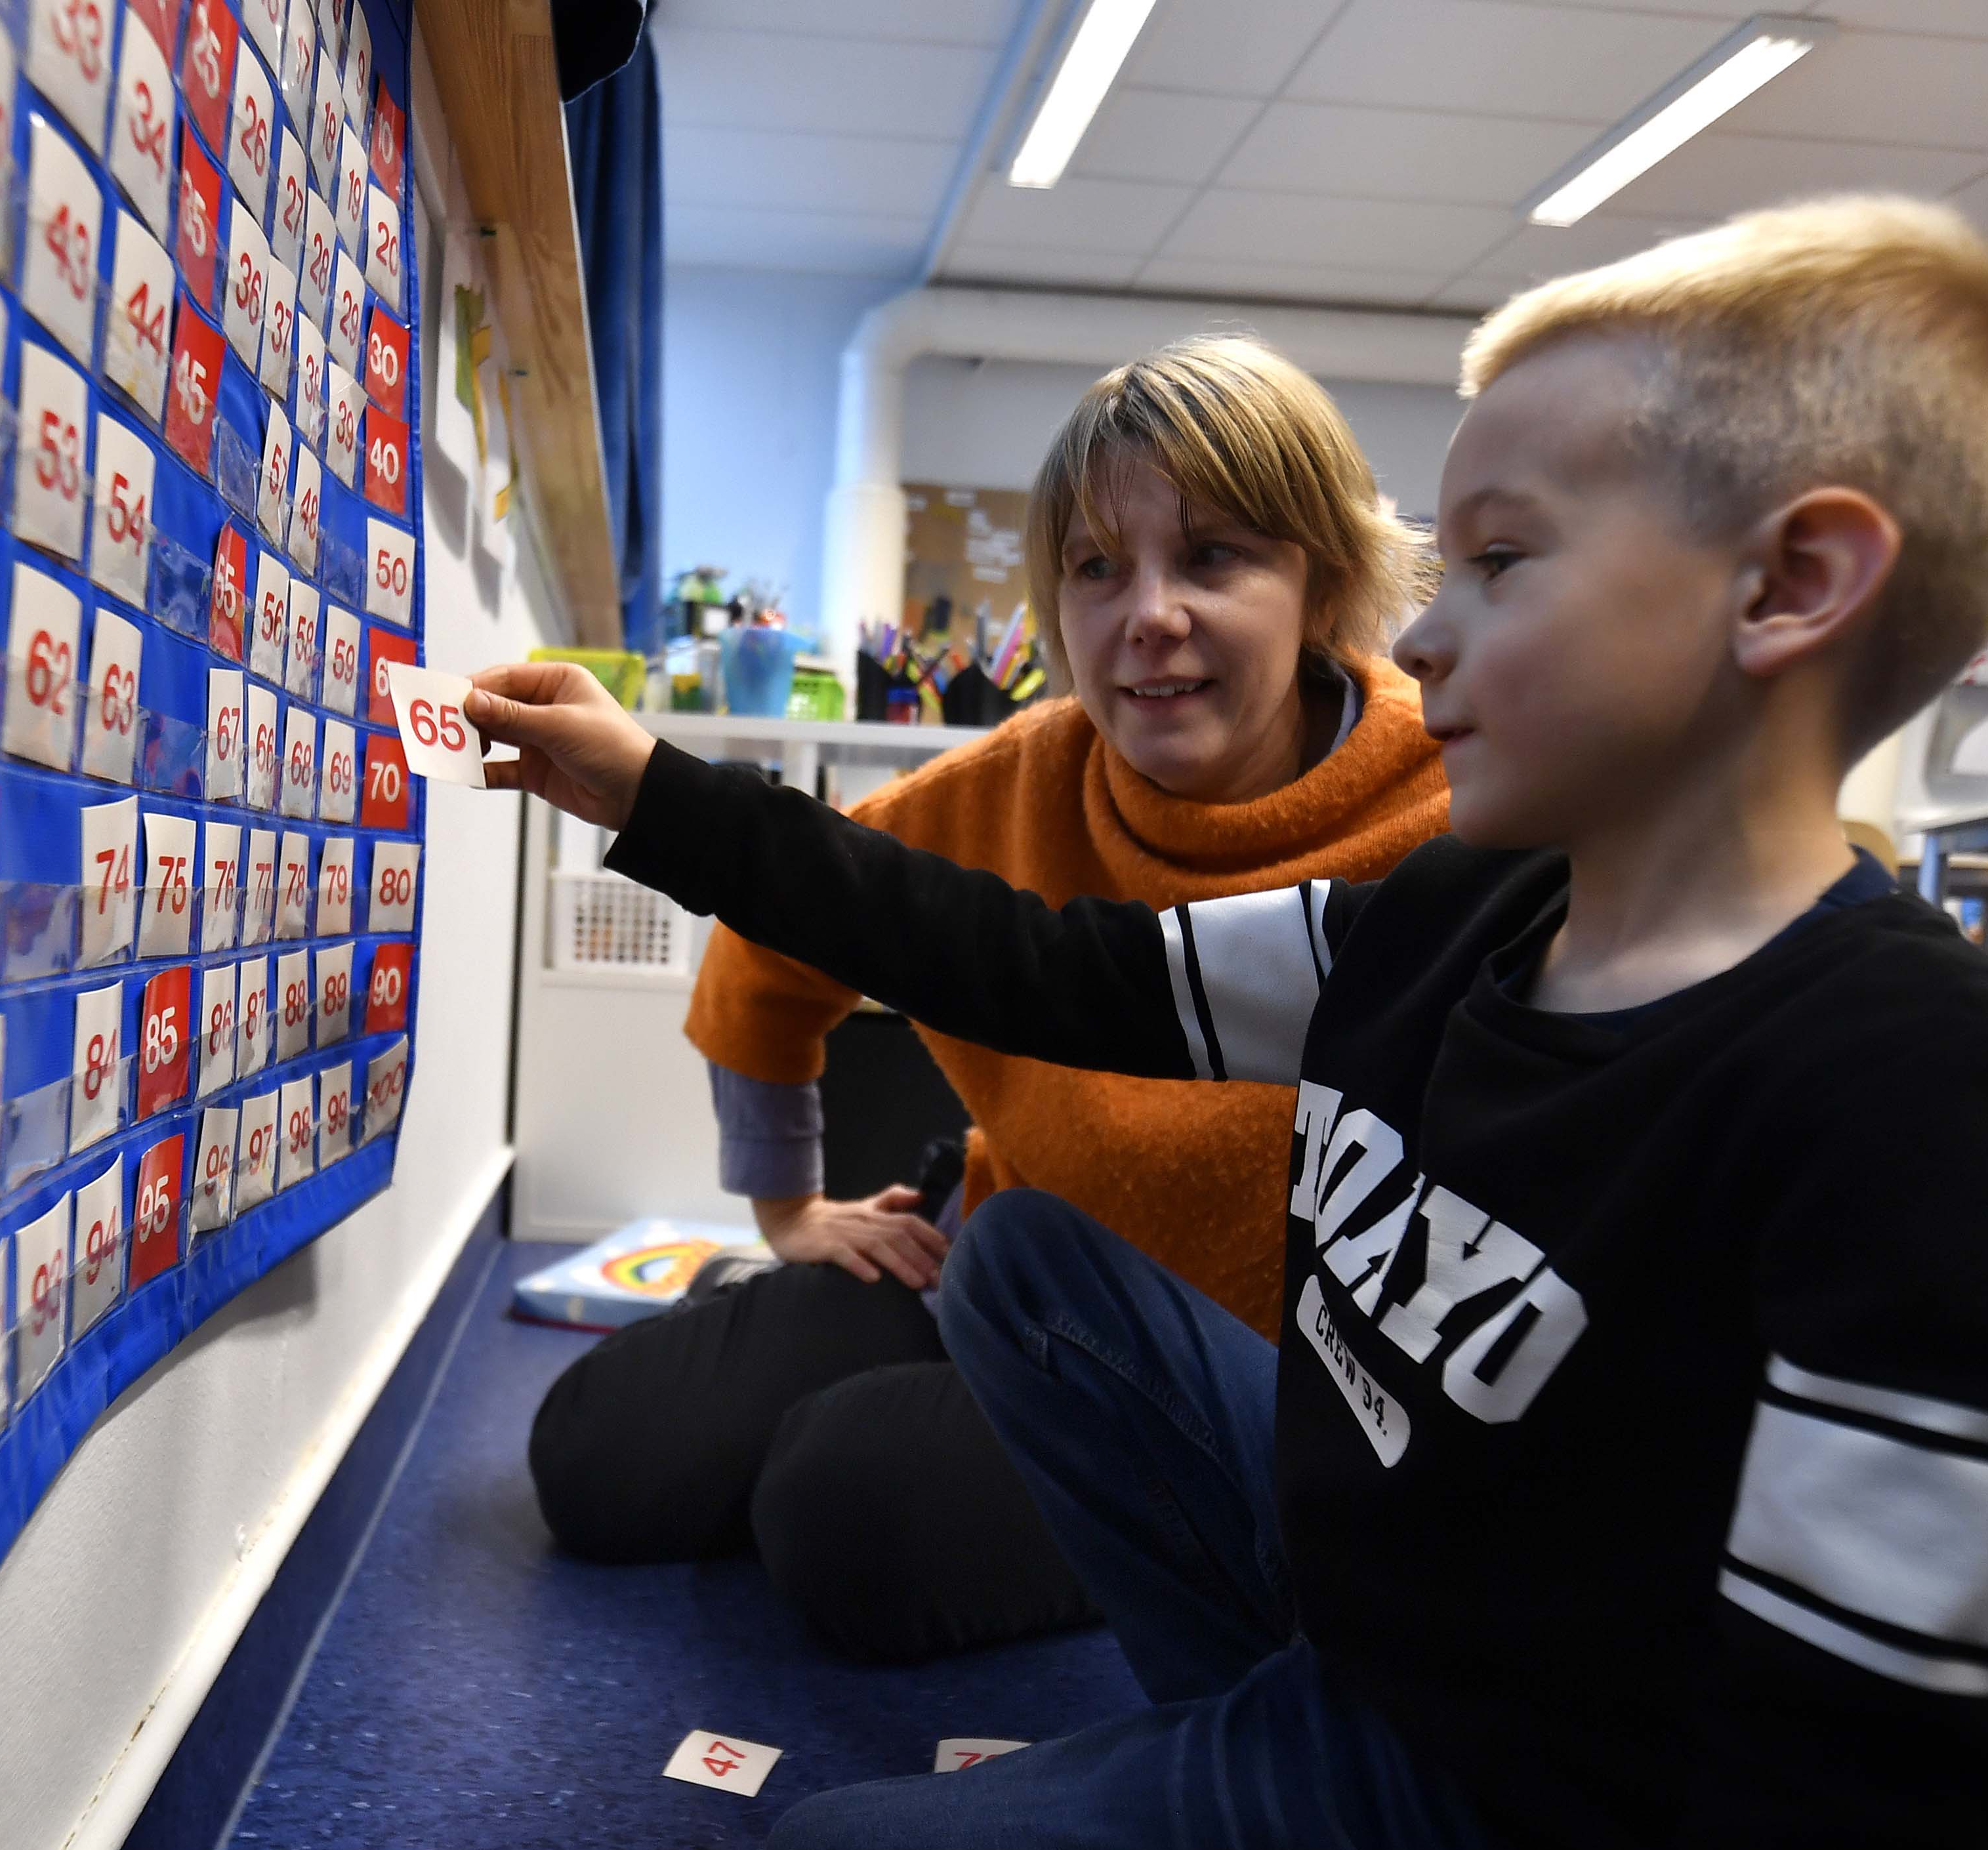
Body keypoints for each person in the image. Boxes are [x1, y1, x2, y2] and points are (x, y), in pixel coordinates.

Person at [470, 195, 1988, 1850]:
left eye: (1501, 565)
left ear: (1787, 585)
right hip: (1362, 1664)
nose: (1425, 641)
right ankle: (1232, 1807)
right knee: (1034, 1262)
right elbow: (1038, 966)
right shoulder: (1453, 912)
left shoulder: (1955, 1112)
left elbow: (1860, 1809)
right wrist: (653, 791)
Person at [525, 336, 1451, 1662]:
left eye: (1214, 558)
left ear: (1323, 584)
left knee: (843, 1509)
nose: (1149, 615)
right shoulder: (1019, 778)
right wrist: (792, 1209)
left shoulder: (1453, 814)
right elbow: (773, 938)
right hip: (979, 1263)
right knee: (597, 1457)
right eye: (1095, 567)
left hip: (1219, 1391)